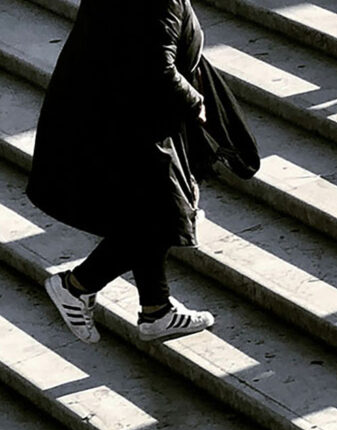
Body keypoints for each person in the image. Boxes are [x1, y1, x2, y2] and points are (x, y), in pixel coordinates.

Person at [28, 0, 214, 343]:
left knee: (148, 209)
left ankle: (156, 310)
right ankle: (77, 285)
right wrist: (195, 101)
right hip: (121, 123)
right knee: (159, 215)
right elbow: (156, 65)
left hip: (109, 114)